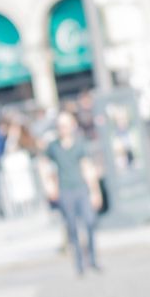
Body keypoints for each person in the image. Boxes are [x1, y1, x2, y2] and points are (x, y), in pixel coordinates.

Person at [39, 111, 103, 277]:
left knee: (89, 222)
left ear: (72, 126)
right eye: (60, 126)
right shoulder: (53, 146)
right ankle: (79, 264)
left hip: (81, 188)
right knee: (72, 227)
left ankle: (93, 259)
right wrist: (49, 185)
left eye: (66, 125)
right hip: (65, 191)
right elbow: (44, 164)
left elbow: (87, 167)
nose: (63, 129)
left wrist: (95, 191)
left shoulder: (80, 144)